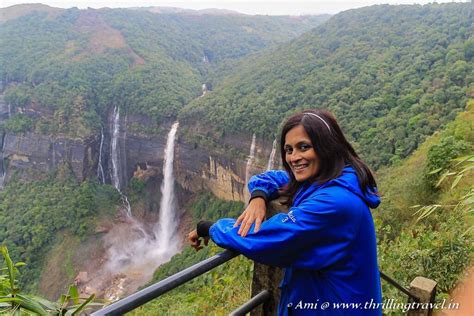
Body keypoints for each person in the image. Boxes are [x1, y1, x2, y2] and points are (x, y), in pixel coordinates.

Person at [188, 109, 382, 315]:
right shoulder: (329, 179)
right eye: (289, 150)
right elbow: (273, 178)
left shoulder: (334, 203)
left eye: (304, 147)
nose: (294, 158)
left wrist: (207, 228)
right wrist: (258, 197)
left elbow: (264, 238)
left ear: (328, 147)